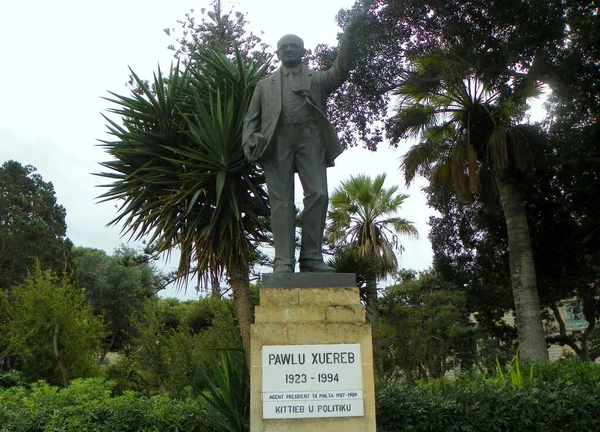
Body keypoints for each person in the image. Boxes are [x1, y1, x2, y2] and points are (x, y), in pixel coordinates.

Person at [242, 19, 362, 273]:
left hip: (310, 139)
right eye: (283, 47)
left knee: (318, 194)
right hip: (276, 142)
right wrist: (250, 140)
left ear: (302, 52)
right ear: (277, 53)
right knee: (281, 201)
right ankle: (283, 262)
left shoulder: (317, 79)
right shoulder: (265, 85)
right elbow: (251, 118)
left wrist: (347, 38)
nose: (288, 50)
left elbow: (340, 71)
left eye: (293, 46)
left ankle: (311, 258)